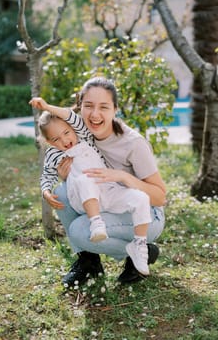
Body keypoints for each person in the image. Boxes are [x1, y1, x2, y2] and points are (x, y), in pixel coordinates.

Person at [51, 76, 166, 286]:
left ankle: (141, 251)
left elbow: (160, 197)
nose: (95, 114)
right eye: (88, 106)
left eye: (103, 107)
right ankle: (88, 262)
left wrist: (124, 177)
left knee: (79, 230)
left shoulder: (133, 143)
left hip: (145, 213)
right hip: (107, 201)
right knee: (61, 193)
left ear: (115, 109)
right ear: (79, 107)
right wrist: (68, 175)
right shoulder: (77, 135)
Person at [29, 97, 154, 275]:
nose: (64, 141)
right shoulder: (53, 154)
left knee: (140, 198)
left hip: (108, 191)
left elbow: (71, 116)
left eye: (66, 133)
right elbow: (46, 176)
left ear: (73, 128)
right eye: (56, 139)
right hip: (81, 196)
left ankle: (140, 246)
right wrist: (46, 192)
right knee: (85, 179)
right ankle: (96, 223)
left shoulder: (84, 136)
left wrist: (47, 107)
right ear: (49, 142)